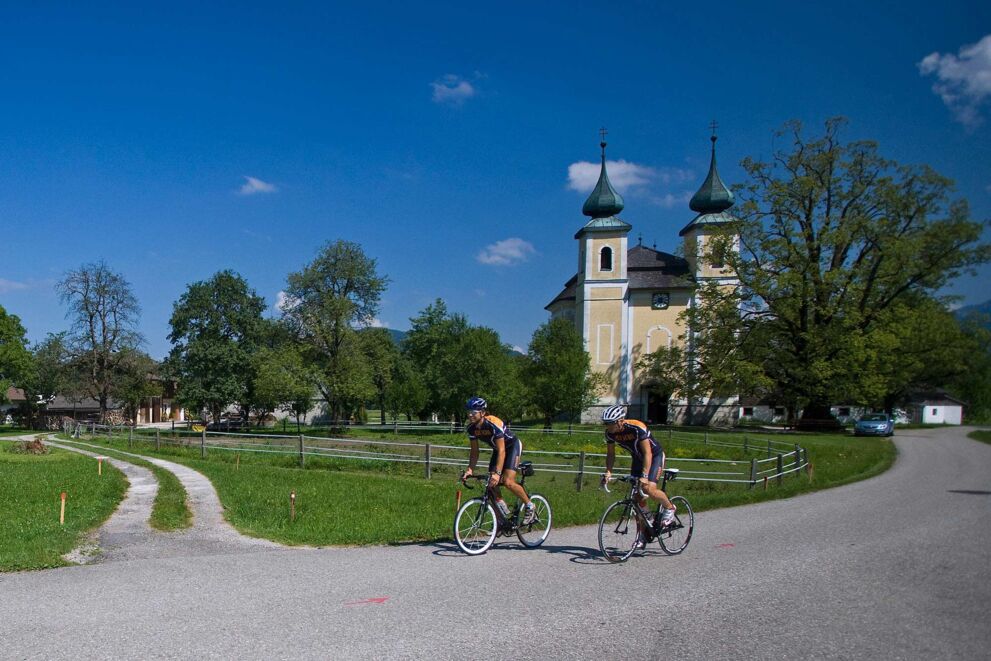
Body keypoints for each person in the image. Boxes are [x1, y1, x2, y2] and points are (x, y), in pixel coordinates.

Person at [460, 396, 536, 524]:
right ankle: (502, 515)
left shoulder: (493, 423)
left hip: (511, 446)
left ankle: (530, 506)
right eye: (468, 412)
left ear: (482, 412)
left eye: (473, 412)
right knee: (490, 483)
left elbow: (502, 450)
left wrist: (498, 473)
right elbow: (474, 452)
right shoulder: (471, 429)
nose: (470, 415)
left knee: (507, 481)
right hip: (498, 450)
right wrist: (470, 470)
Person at [599, 405, 676, 529]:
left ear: (620, 421)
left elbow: (647, 453)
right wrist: (608, 472)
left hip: (654, 456)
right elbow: (611, 454)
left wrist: (645, 476)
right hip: (637, 460)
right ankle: (648, 522)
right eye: (605, 423)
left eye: (610, 423)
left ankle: (670, 508)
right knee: (636, 497)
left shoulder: (636, 427)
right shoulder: (609, 434)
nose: (608, 426)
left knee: (648, 488)